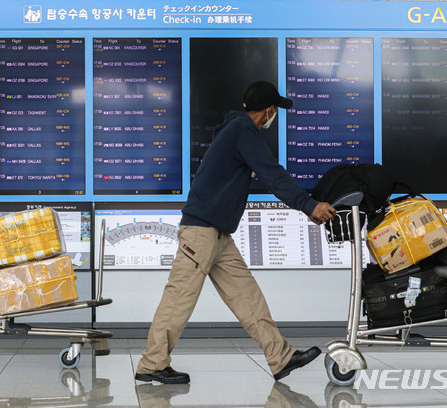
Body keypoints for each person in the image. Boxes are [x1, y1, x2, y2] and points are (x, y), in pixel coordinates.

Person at [135, 81, 337, 384]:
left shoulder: (235, 130)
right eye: (276, 110)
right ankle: (152, 364)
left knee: (246, 295)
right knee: (179, 298)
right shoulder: (243, 131)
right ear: (269, 110)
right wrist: (309, 206)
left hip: (218, 234)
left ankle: (280, 357)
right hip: (201, 232)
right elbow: (273, 174)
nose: (275, 116)